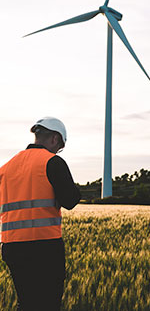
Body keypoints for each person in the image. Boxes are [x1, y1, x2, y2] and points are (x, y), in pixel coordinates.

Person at [0, 117, 81, 311]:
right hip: (44, 247)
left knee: (26, 303)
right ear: (54, 139)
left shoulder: (6, 168)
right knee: (48, 304)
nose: (58, 150)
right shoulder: (52, 162)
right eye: (60, 146)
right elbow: (70, 200)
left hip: (11, 246)